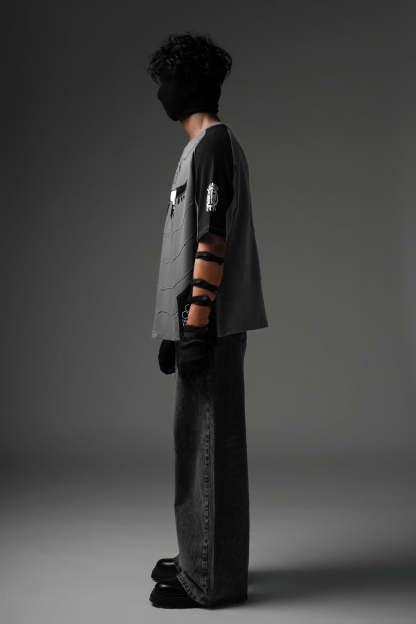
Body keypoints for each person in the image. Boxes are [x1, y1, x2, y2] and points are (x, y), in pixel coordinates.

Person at [146, 31, 269, 608]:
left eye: (166, 81)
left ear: (189, 84)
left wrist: (195, 323)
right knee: (196, 447)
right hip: (199, 324)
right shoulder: (199, 148)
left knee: (210, 452)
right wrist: (175, 328)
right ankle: (201, 554)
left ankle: (211, 580)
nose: (160, 93)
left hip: (211, 327)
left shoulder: (214, 145)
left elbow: (211, 240)